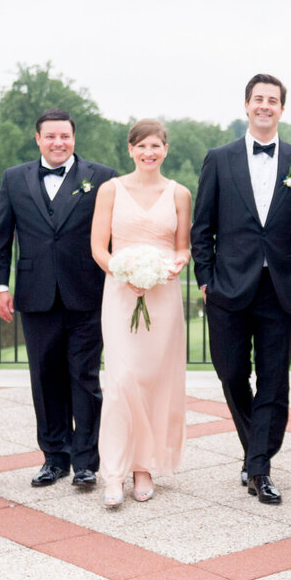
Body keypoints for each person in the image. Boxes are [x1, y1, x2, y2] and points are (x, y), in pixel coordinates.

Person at [191, 74, 291, 505]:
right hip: (228, 287)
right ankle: (256, 449)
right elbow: (202, 226)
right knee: (230, 372)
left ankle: (259, 467)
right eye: (258, 99)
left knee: (274, 380)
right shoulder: (219, 158)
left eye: (273, 100)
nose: (265, 106)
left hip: (280, 289)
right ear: (246, 105)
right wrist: (206, 280)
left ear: (282, 109)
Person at [0, 109, 116, 489]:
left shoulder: (102, 177)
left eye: (65, 136)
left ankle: (86, 460)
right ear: (38, 139)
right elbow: (1, 237)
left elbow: (112, 235)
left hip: (87, 292)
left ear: (74, 138)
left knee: (85, 376)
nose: (58, 143)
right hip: (35, 293)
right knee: (44, 377)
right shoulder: (14, 178)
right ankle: (54, 457)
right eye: (51, 136)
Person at [91, 120, 192, 507]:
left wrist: (175, 264)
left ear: (166, 149)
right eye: (142, 146)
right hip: (120, 292)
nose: (149, 152)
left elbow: (183, 246)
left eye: (156, 146)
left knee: (153, 380)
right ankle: (113, 472)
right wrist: (122, 272)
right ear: (130, 149)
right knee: (120, 381)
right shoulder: (110, 190)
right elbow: (99, 246)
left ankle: (144, 466)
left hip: (163, 293)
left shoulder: (179, 193)